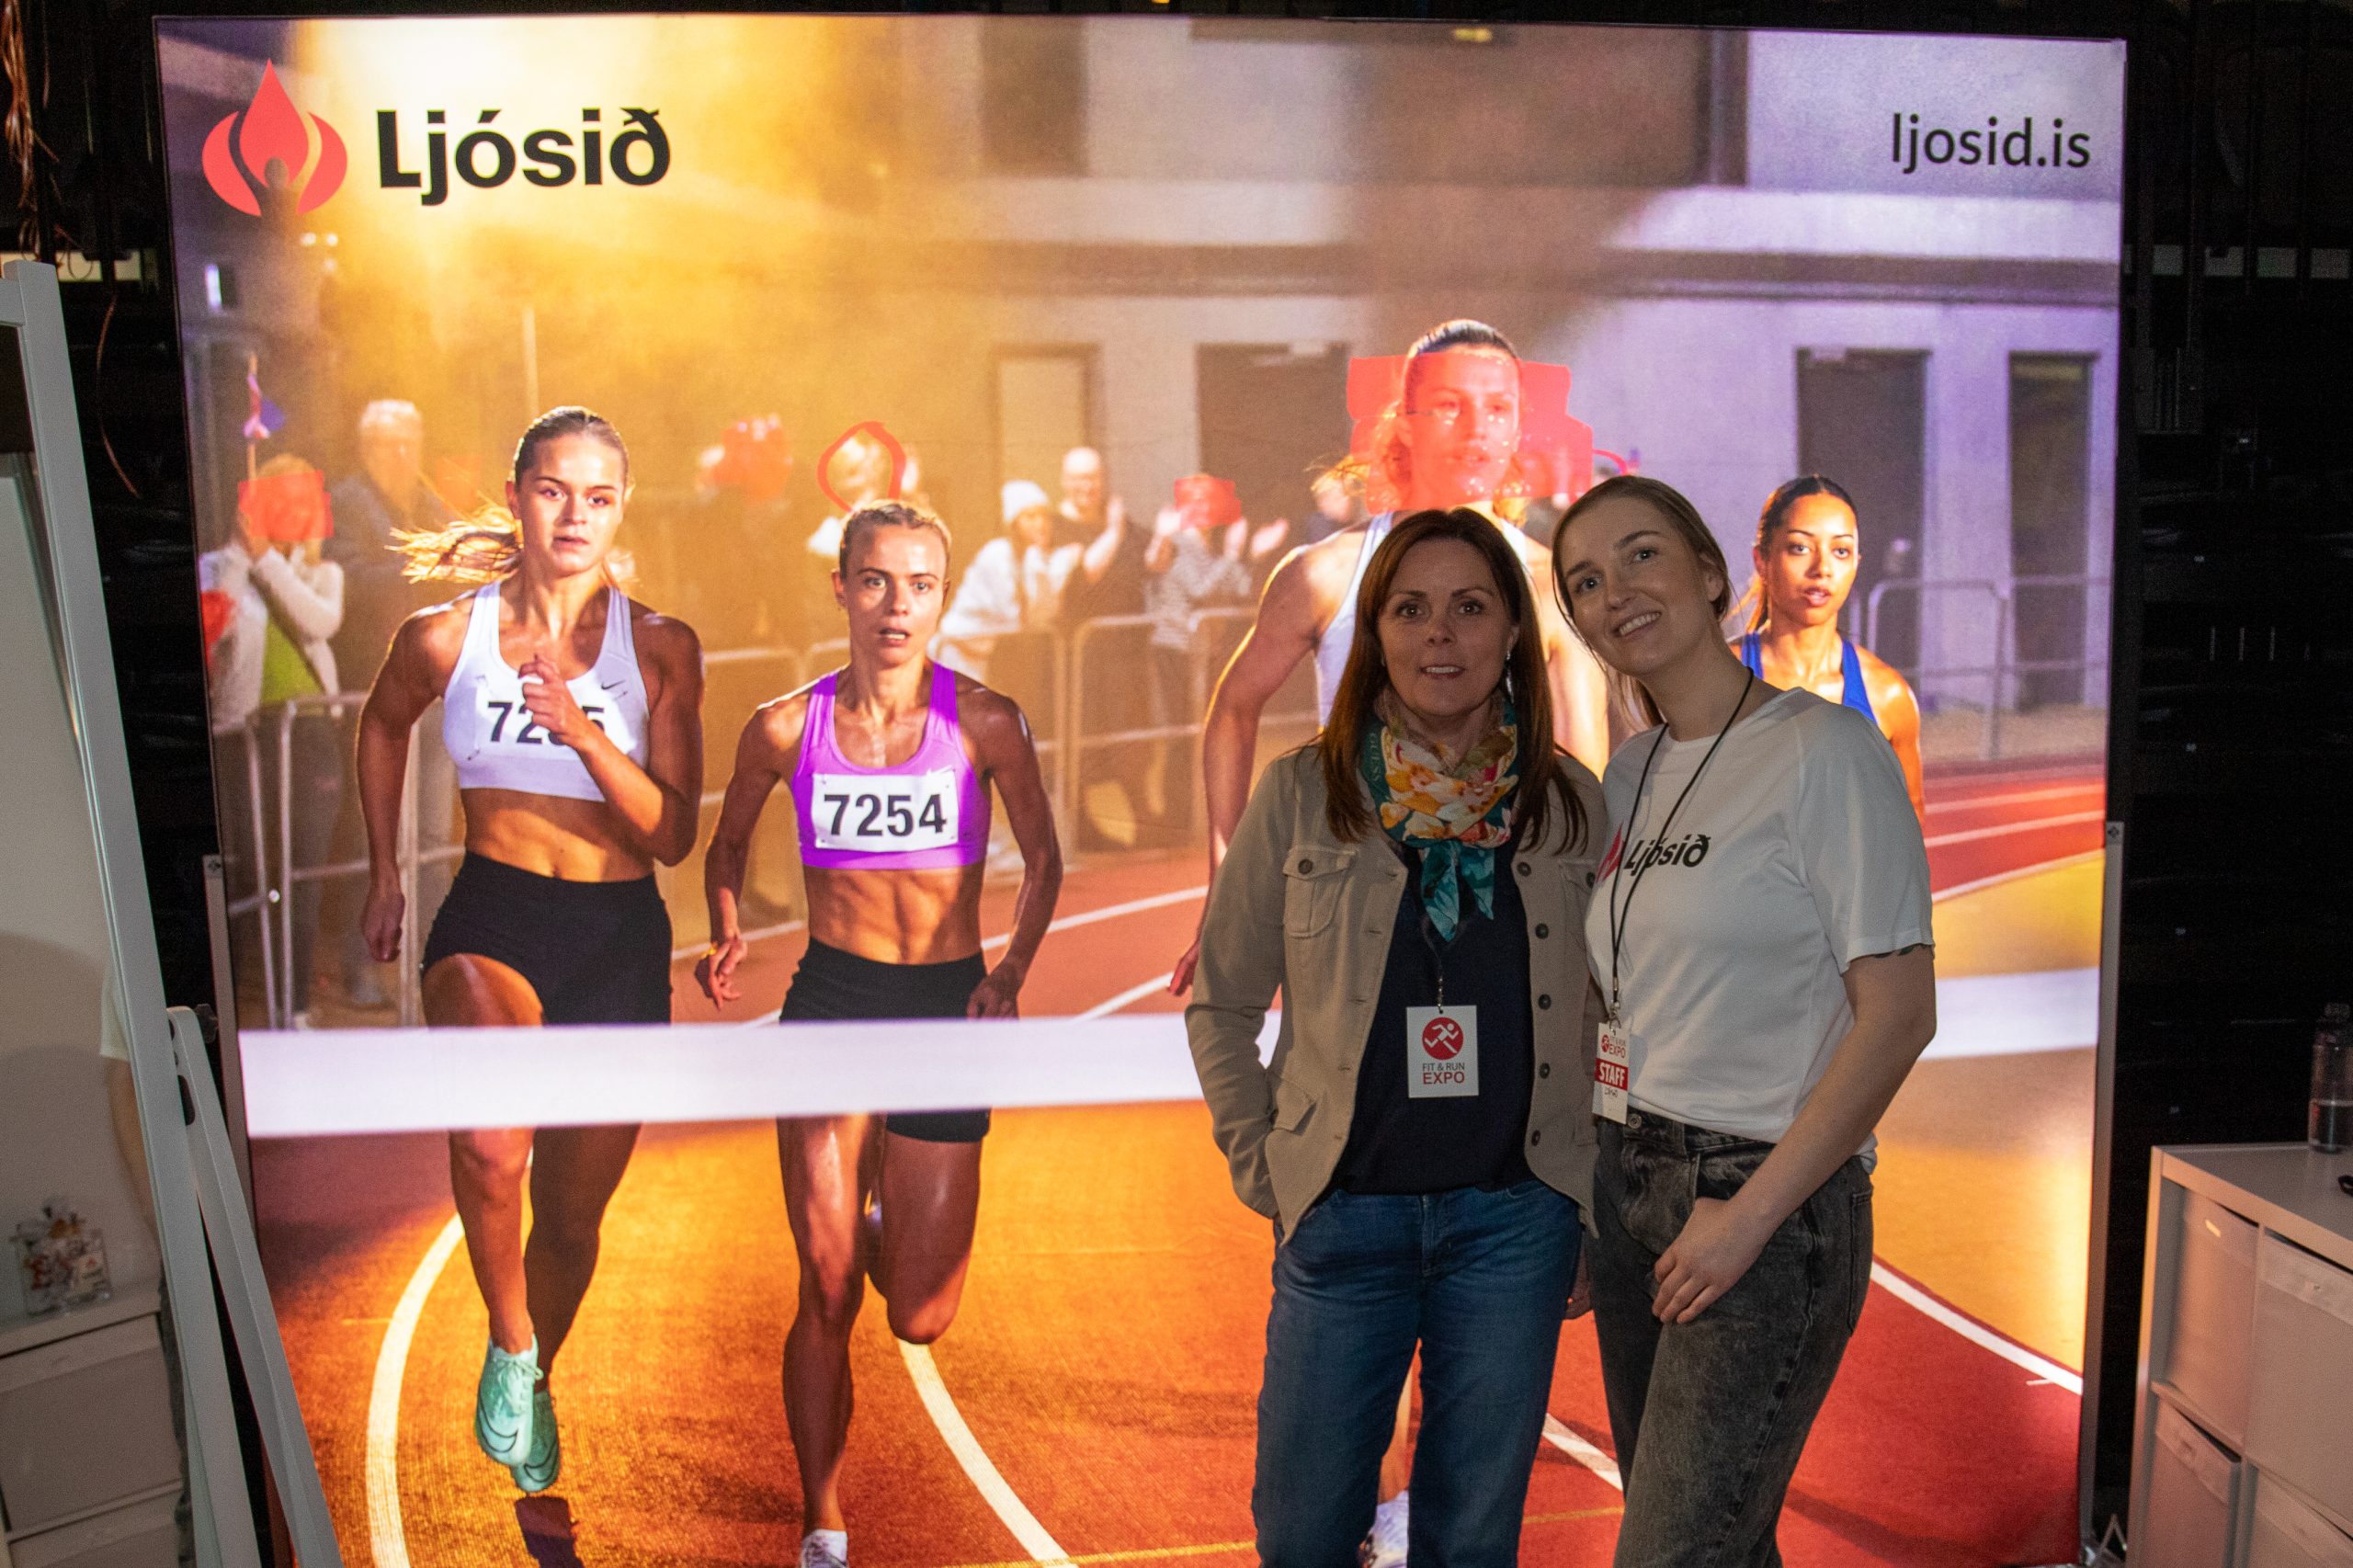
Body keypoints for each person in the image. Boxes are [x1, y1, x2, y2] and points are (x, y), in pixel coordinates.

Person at [1188, 507, 1602, 1567]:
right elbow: (1220, 1002)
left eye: (1469, 606)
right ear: (1375, 631)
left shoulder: (1569, 805)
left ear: (1512, 631)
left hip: (1513, 1227)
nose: (1439, 633)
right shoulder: (1300, 794)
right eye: (1410, 609)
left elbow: (1611, 1016)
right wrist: (1263, 1158)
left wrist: (1587, 1190)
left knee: (1470, 1542)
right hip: (1343, 1220)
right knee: (1301, 1537)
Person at [1549, 474, 1937, 1567]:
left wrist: (1749, 1215)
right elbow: (1620, 996)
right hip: (1631, 1180)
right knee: (1722, 1541)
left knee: (1670, 1551)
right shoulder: (1633, 767)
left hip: (1759, 1201)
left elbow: (1899, 1014)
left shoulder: (1827, 749)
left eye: (1640, 553)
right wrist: (1593, 1185)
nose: (1617, 590)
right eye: (1586, 580)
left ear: (1713, 572)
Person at [694, 500, 1062, 1568]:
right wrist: (725, 923)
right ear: (843, 589)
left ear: (940, 596)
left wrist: (1011, 970)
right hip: (831, 1002)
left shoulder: (987, 721)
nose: (897, 605)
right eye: (875, 581)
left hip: (947, 1004)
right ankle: (822, 1521)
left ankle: (872, 1209)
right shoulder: (782, 726)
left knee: (920, 1315)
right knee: (823, 1284)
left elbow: (1044, 858)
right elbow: (725, 845)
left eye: (920, 584)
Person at [356, 406, 705, 1494]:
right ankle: (510, 1342)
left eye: (598, 497)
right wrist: (382, 872)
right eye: (554, 490)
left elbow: (674, 833)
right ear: (517, 497)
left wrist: (584, 730)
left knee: (570, 1219)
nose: (574, 515)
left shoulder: (661, 646)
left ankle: (534, 1371)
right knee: (490, 1140)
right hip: (493, 920)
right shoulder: (442, 638)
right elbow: (380, 723)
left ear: (621, 508)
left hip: (617, 934)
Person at [1175, 319, 1612, 994]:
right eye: (1450, 406)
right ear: (1403, 424)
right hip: (1352, 908)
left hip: (1504, 913)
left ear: (1520, 426)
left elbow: (1584, 772)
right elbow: (1233, 710)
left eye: (1498, 408)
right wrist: (1226, 891)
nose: (1477, 430)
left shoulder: (1546, 583)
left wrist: (1594, 922)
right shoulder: (1325, 572)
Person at [199, 454, 345, 1028]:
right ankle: (230, 1016)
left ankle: (295, 1009)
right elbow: (216, 634)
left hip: (308, 736)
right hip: (242, 737)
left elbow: (319, 622)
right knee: (244, 875)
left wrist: (267, 561)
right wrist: (241, 558)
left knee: (300, 874)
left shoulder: (321, 574)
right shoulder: (215, 567)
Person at [328, 400, 456, 1008]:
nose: (404, 454)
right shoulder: (347, 501)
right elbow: (349, 580)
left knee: (432, 836)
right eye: (391, 444)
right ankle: (361, 966)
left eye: (411, 441)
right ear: (368, 448)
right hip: (375, 695)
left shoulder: (430, 502)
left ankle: (436, 959)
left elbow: (462, 567)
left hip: (435, 693)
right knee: (371, 835)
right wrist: (420, 563)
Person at [1733, 476, 1927, 821]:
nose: (1822, 569)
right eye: (1800, 548)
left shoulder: (1887, 696)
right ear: (1762, 560)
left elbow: (1909, 826)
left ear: (1855, 564)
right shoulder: (1714, 684)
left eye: (1840, 551)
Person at [1140, 486, 1258, 838]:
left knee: (1201, 734)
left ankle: (1191, 817)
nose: (1209, 509)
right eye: (1201, 502)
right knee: (1181, 735)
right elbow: (1200, 588)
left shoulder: (1209, 546)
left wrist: (1250, 554)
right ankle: (1176, 819)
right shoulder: (1178, 543)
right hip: (1174, 647)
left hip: (1200, 650)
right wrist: (1232, 554)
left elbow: (1241, 588)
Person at [934, 479, 1079, 692]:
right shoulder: (996, 554)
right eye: (1031, 516)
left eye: (1044, 516)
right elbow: (1014, 617)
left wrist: (1051, 568)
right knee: (946, 713)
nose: (1040, 523)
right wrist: (1059, 567)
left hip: (982, 659)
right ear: (1014, 523)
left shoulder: (1031, 559)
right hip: (953, 652)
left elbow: (1042, 616)